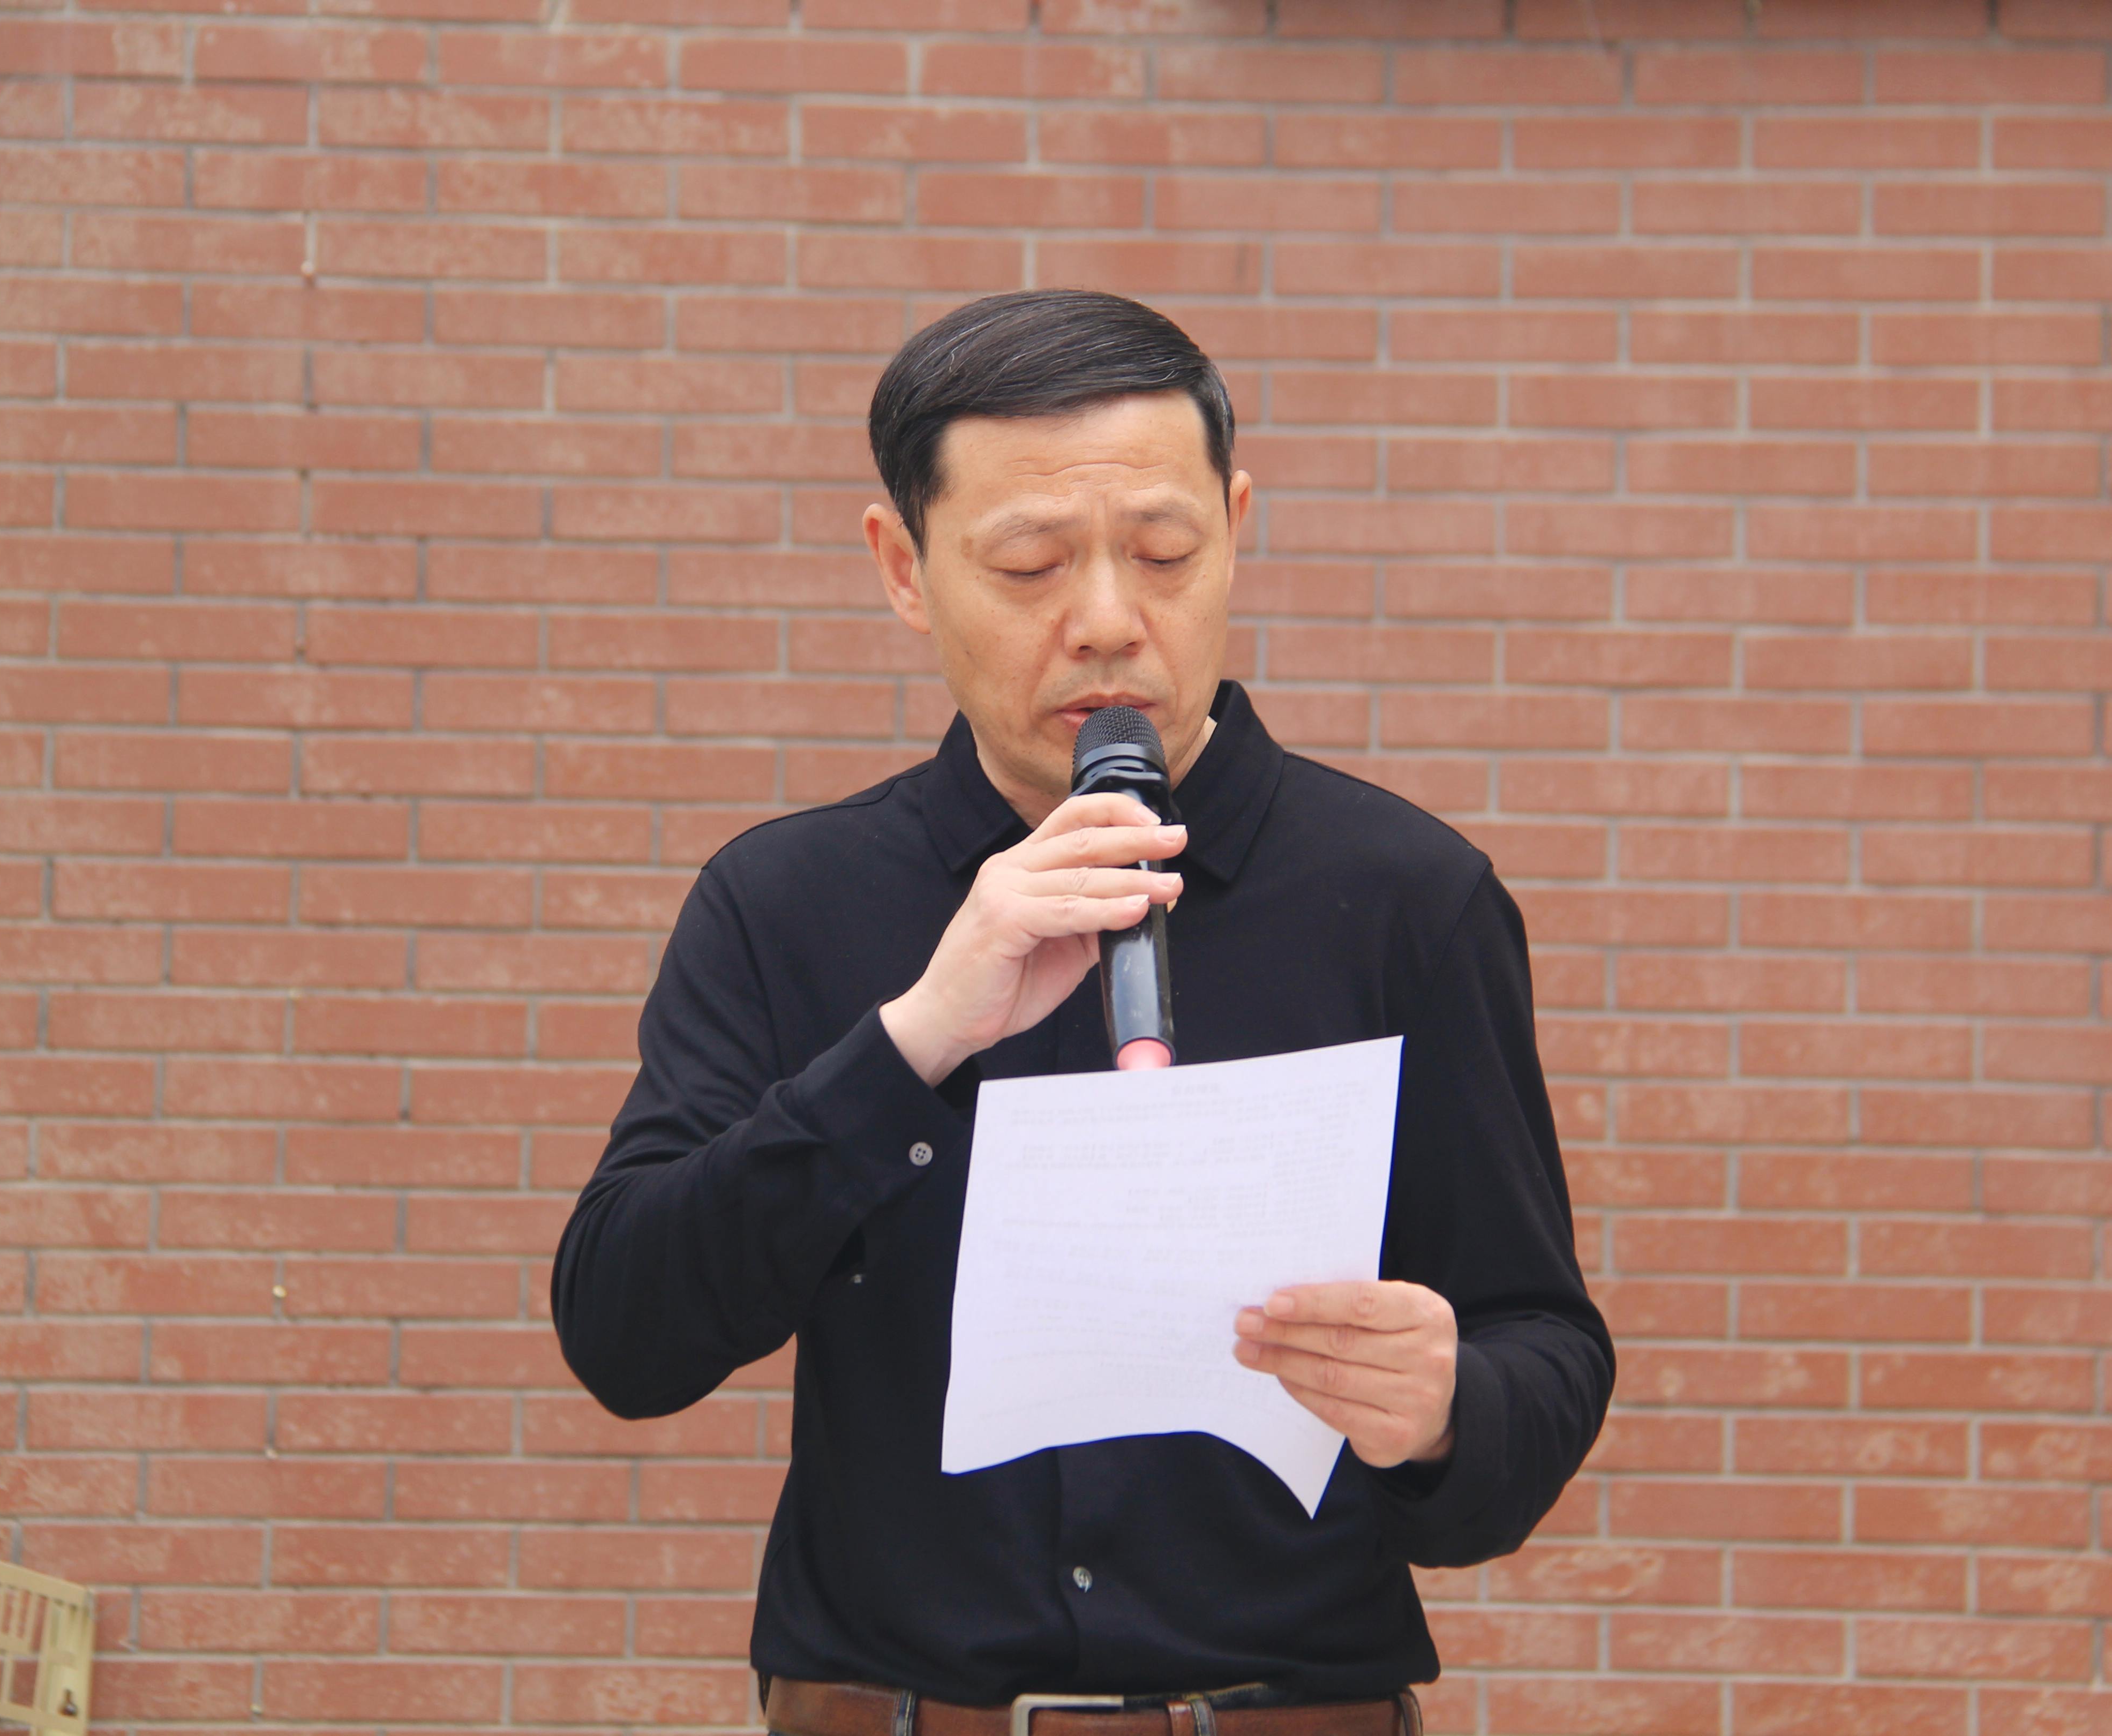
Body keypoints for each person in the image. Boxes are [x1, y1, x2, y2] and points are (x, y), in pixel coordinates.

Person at [550, 289, 1613, 1736]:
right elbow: (625, 1334)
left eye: (1165, 553)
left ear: (1236, 527)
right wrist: (915, 1037)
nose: (1109, 621)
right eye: (1030, 564)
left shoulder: (1405, 899)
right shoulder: (784, 902)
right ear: (905, 568)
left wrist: (1442, 1408)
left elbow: (1541, 1346)